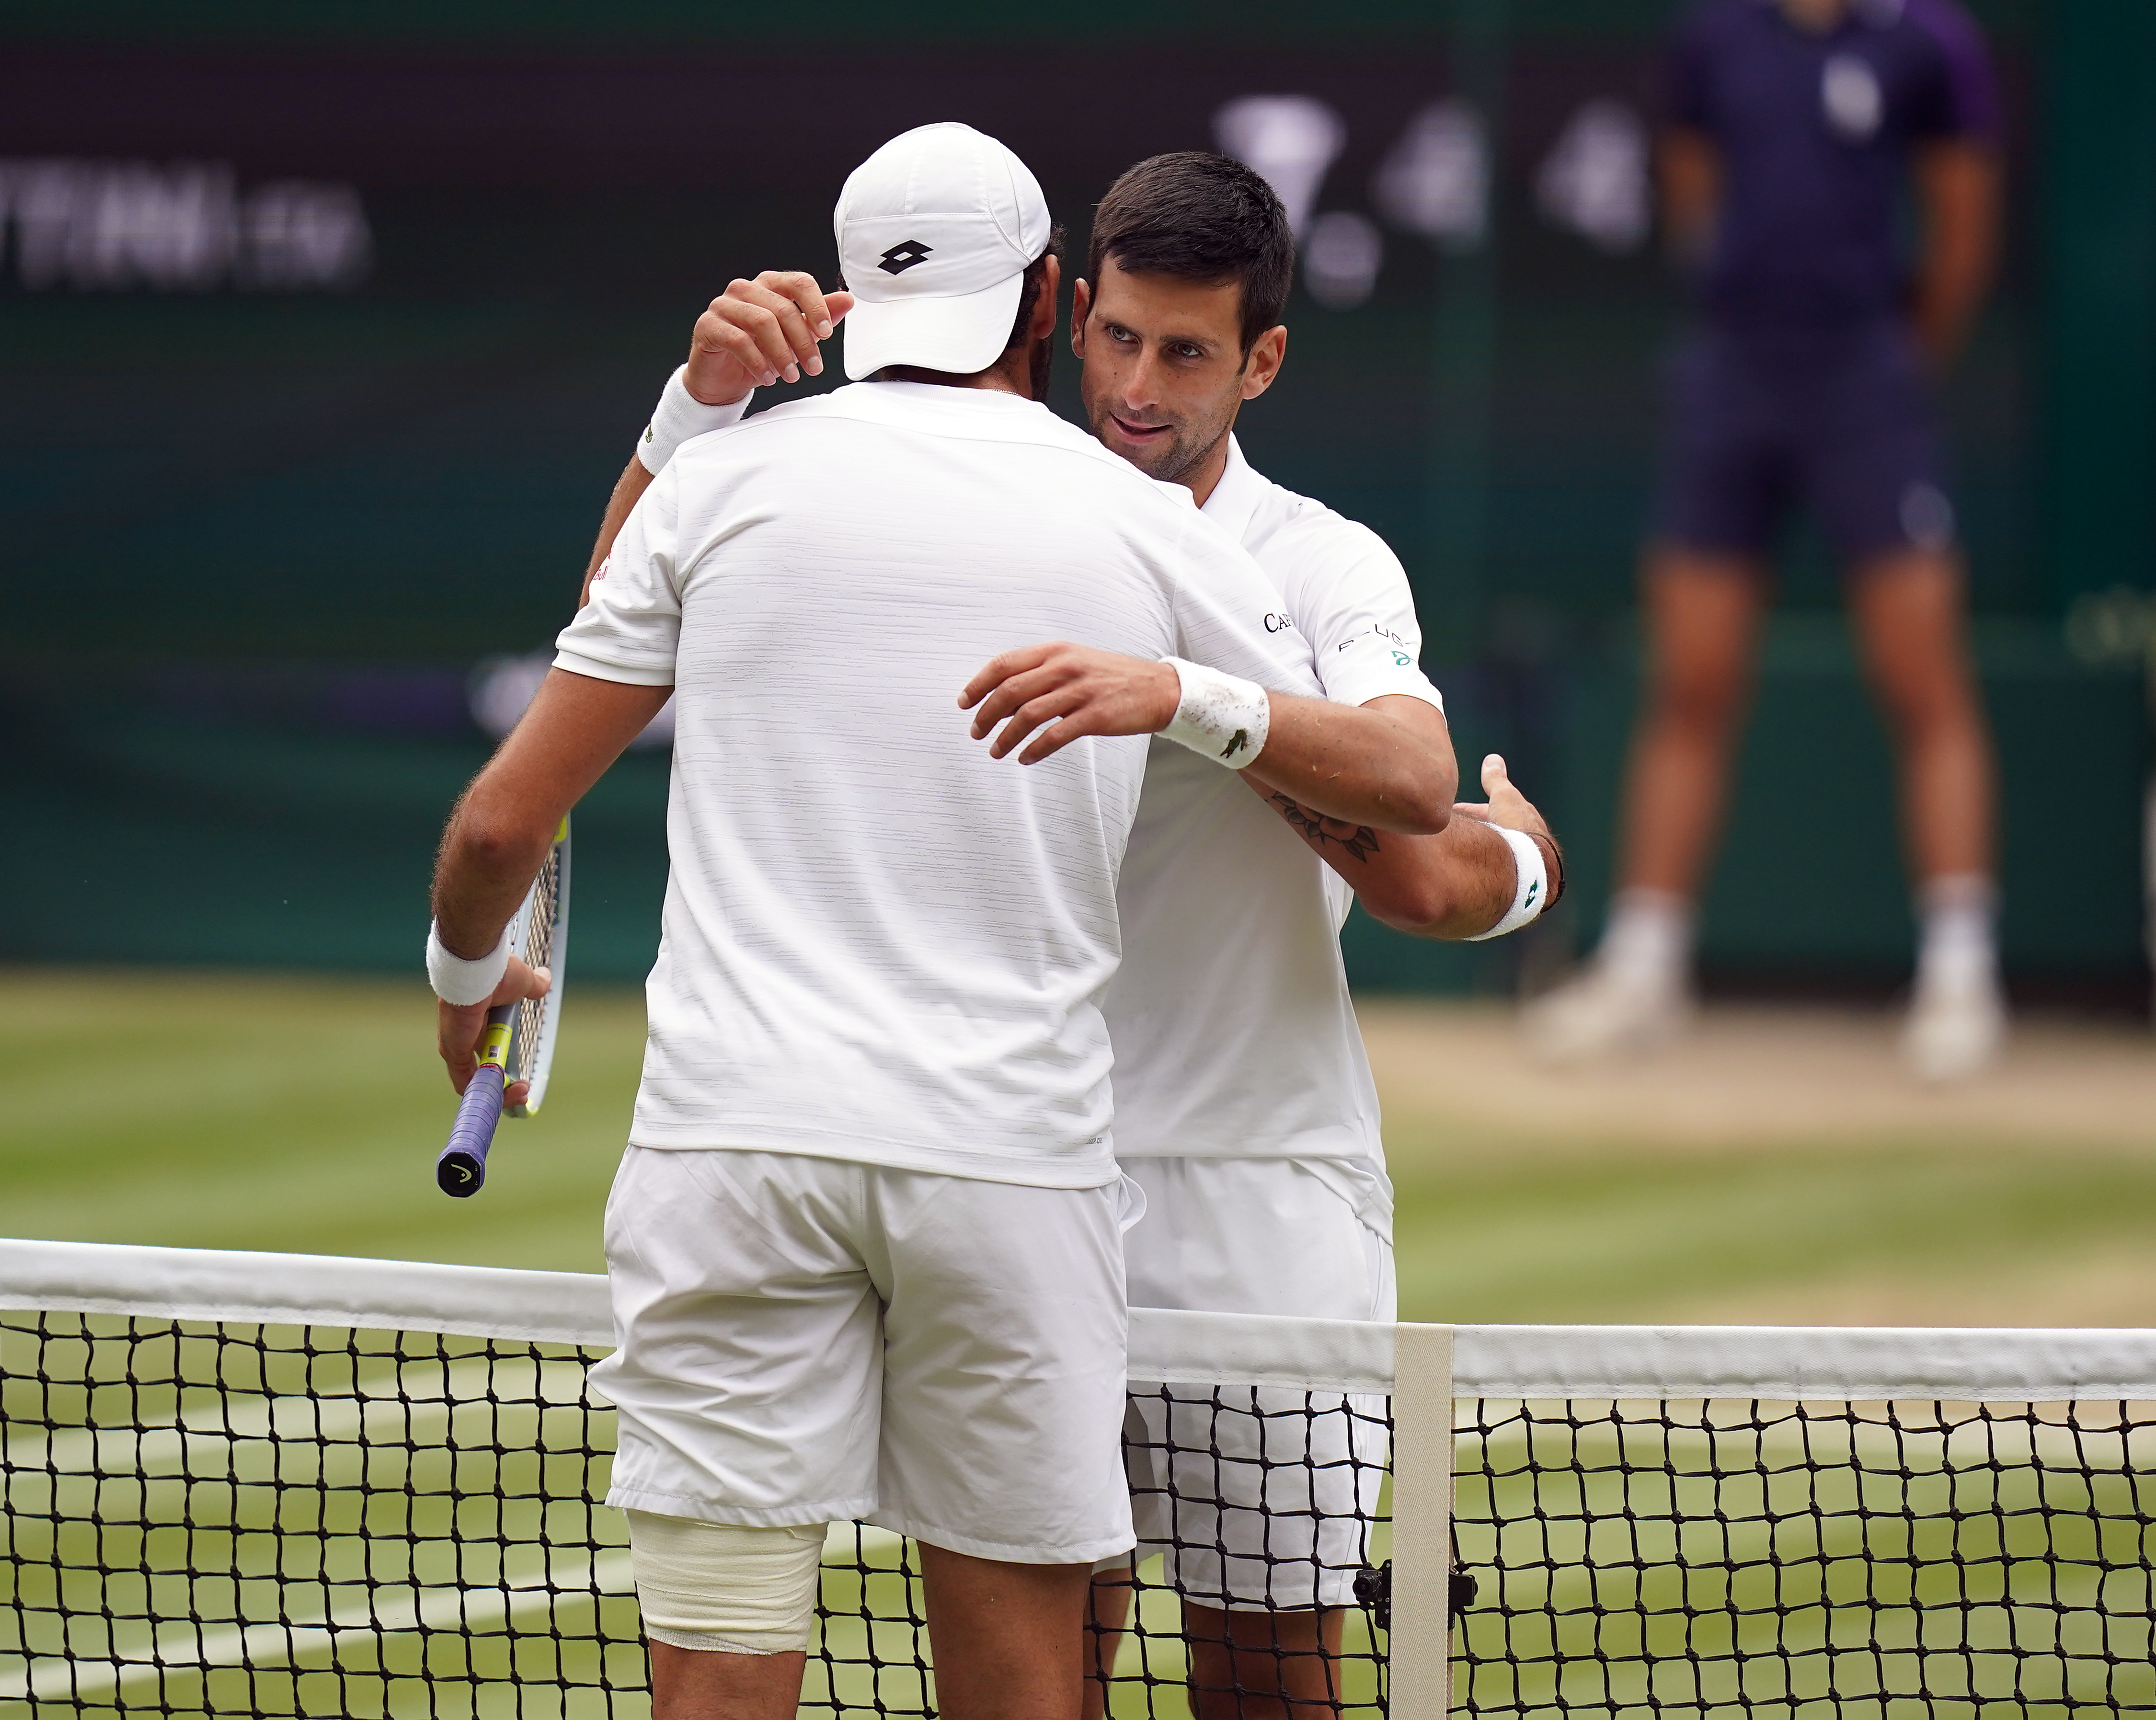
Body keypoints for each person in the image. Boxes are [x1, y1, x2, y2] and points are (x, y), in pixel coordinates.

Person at [427, 123, 1457, 1720]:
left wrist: (466, 972)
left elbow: (509, 810)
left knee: (714, 1678)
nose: (1139, 375)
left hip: (734, 1157)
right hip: (1011, 1168)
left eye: (1183, 348)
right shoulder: (1134, 524)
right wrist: (1195, 686)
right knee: (1030, 1678)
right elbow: (1413, 788)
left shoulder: (719, 481)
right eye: (1118, 331)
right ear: (1051, 303)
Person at [1526, 0, 2005, 1080]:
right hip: (1734, 377)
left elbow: (1964, 221)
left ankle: (1962, 973)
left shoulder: (1930, 42)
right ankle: (1646, 965)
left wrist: (1892, 358)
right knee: (1689, 678)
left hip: (1867, 385)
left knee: (1923, 675)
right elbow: (1696, 193)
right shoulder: (1711, 37)